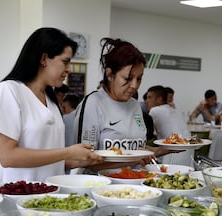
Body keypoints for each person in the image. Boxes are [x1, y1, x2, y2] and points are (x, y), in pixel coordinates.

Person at [0, 27, 103, 186]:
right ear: (44, 59)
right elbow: (7, 156)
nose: (68, 69)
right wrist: (68, 152)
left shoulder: (50, 99)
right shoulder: (8, 91)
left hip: (47, 196)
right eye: (65, 61)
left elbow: (49, 157)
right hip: (13, 196)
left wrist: (80, 161)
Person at [73, 37, 173, 172]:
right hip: (101, 186)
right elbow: (83, 160)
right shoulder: (94, 103)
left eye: (139, 78)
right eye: (128, 78)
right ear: (109, 74)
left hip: (135, 185)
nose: (134, 85)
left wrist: (163, 149)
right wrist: (132, 160)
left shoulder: (134, 105)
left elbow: (136, 150)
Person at [146, 85, 192, 165]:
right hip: (188, 154)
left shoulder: (154, 111)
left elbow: (148, 134)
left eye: (150, 97)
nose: (147, 101)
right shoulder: (176, 111)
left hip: (171, 154)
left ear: (159, 99)